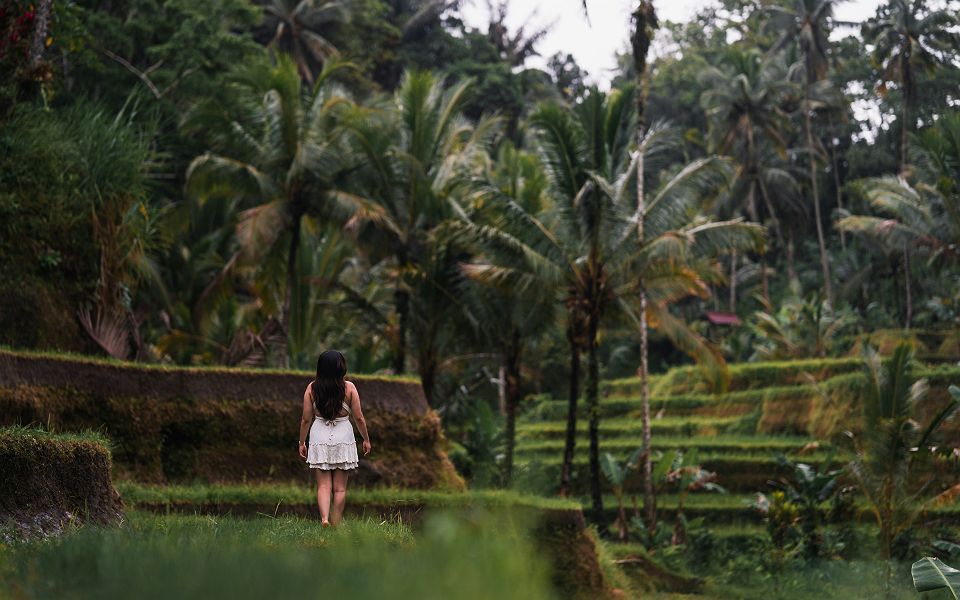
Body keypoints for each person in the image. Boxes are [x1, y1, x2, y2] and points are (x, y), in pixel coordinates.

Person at [298, 350, 371, 526]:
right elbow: (359, 418)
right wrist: (366, 439)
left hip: (319, 435)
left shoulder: (312, 388)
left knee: (323, 486)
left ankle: (324, 519)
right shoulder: (350, 388)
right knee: (340, 488)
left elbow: (306, 419)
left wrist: (301, 442)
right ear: (341, 367)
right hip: (343, 436)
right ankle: (336, 522)